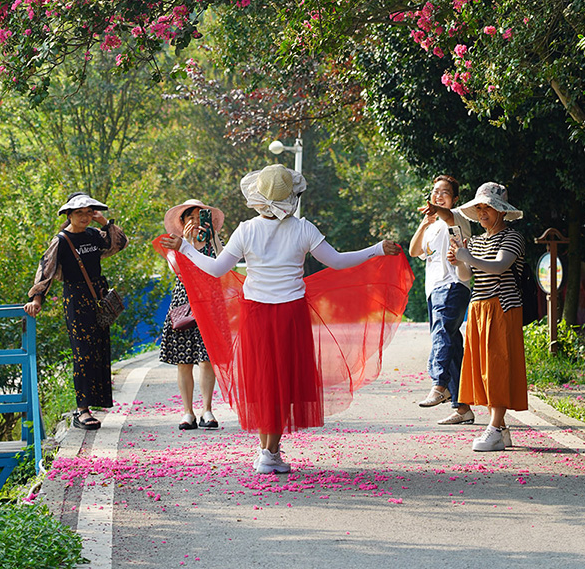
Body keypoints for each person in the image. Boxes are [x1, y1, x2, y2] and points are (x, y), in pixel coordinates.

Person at [157, 163, 411, 475]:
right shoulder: (303, 228)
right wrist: (376, 249)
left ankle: (268, 450)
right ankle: (269, 452)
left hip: (257, 314)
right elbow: (337, 261)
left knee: (264, 381)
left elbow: (216, 269)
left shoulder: (247, 229)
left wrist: (184, 247)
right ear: (292, 196)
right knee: (282, 381)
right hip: (291, 314)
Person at [24, 191, 128, 431]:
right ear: (69, 214)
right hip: (76, 299)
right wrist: (37, 299)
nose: (84, 218)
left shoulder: (94, 234)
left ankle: (95, 402)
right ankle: (82, 410)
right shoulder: (61, 240)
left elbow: (119, 243)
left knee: (99, 349)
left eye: (88, 213)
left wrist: (104, 221)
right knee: (82, 352)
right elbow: (45, 270)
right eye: (79, 213)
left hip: (98, 297)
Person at [447, 181, 528, 452]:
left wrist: (466, 256)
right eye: (479, 207)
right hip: (479, 306)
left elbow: (499, 266)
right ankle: (501, 429)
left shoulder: (512, 237)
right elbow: (468, 277)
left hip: (503, 307)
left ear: (502, 211)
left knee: (497, 367)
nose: (483, 212)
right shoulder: (477, 240)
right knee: (482, 370)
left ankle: (494, 427)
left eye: (489, 207)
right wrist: (459, 261)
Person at [408, 174, 473, 423]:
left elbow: (446, 216)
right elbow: (415, 251)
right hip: (434, 289)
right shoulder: (434, 225)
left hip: (454, 285)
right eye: (435, 191)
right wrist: (425, 222)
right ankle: (463, 408)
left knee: (442, 333)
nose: (438, 195)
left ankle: (439, 384)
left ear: (454, 198)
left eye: (444, 192)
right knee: (453, 344)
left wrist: (437, 211)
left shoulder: (457, 217)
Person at [159, 199, 224, 431]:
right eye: (191, 218)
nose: (196, 222)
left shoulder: (215, 242)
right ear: (183, 222)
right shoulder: (174, 245)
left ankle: (207, 410)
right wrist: (185, 244)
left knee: (207, 359)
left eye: (200, 217)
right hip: (183, 304)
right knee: (183, 361)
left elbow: (223, 265)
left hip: (210, 304)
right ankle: (188, 412)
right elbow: (177, 269)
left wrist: (213, 239)